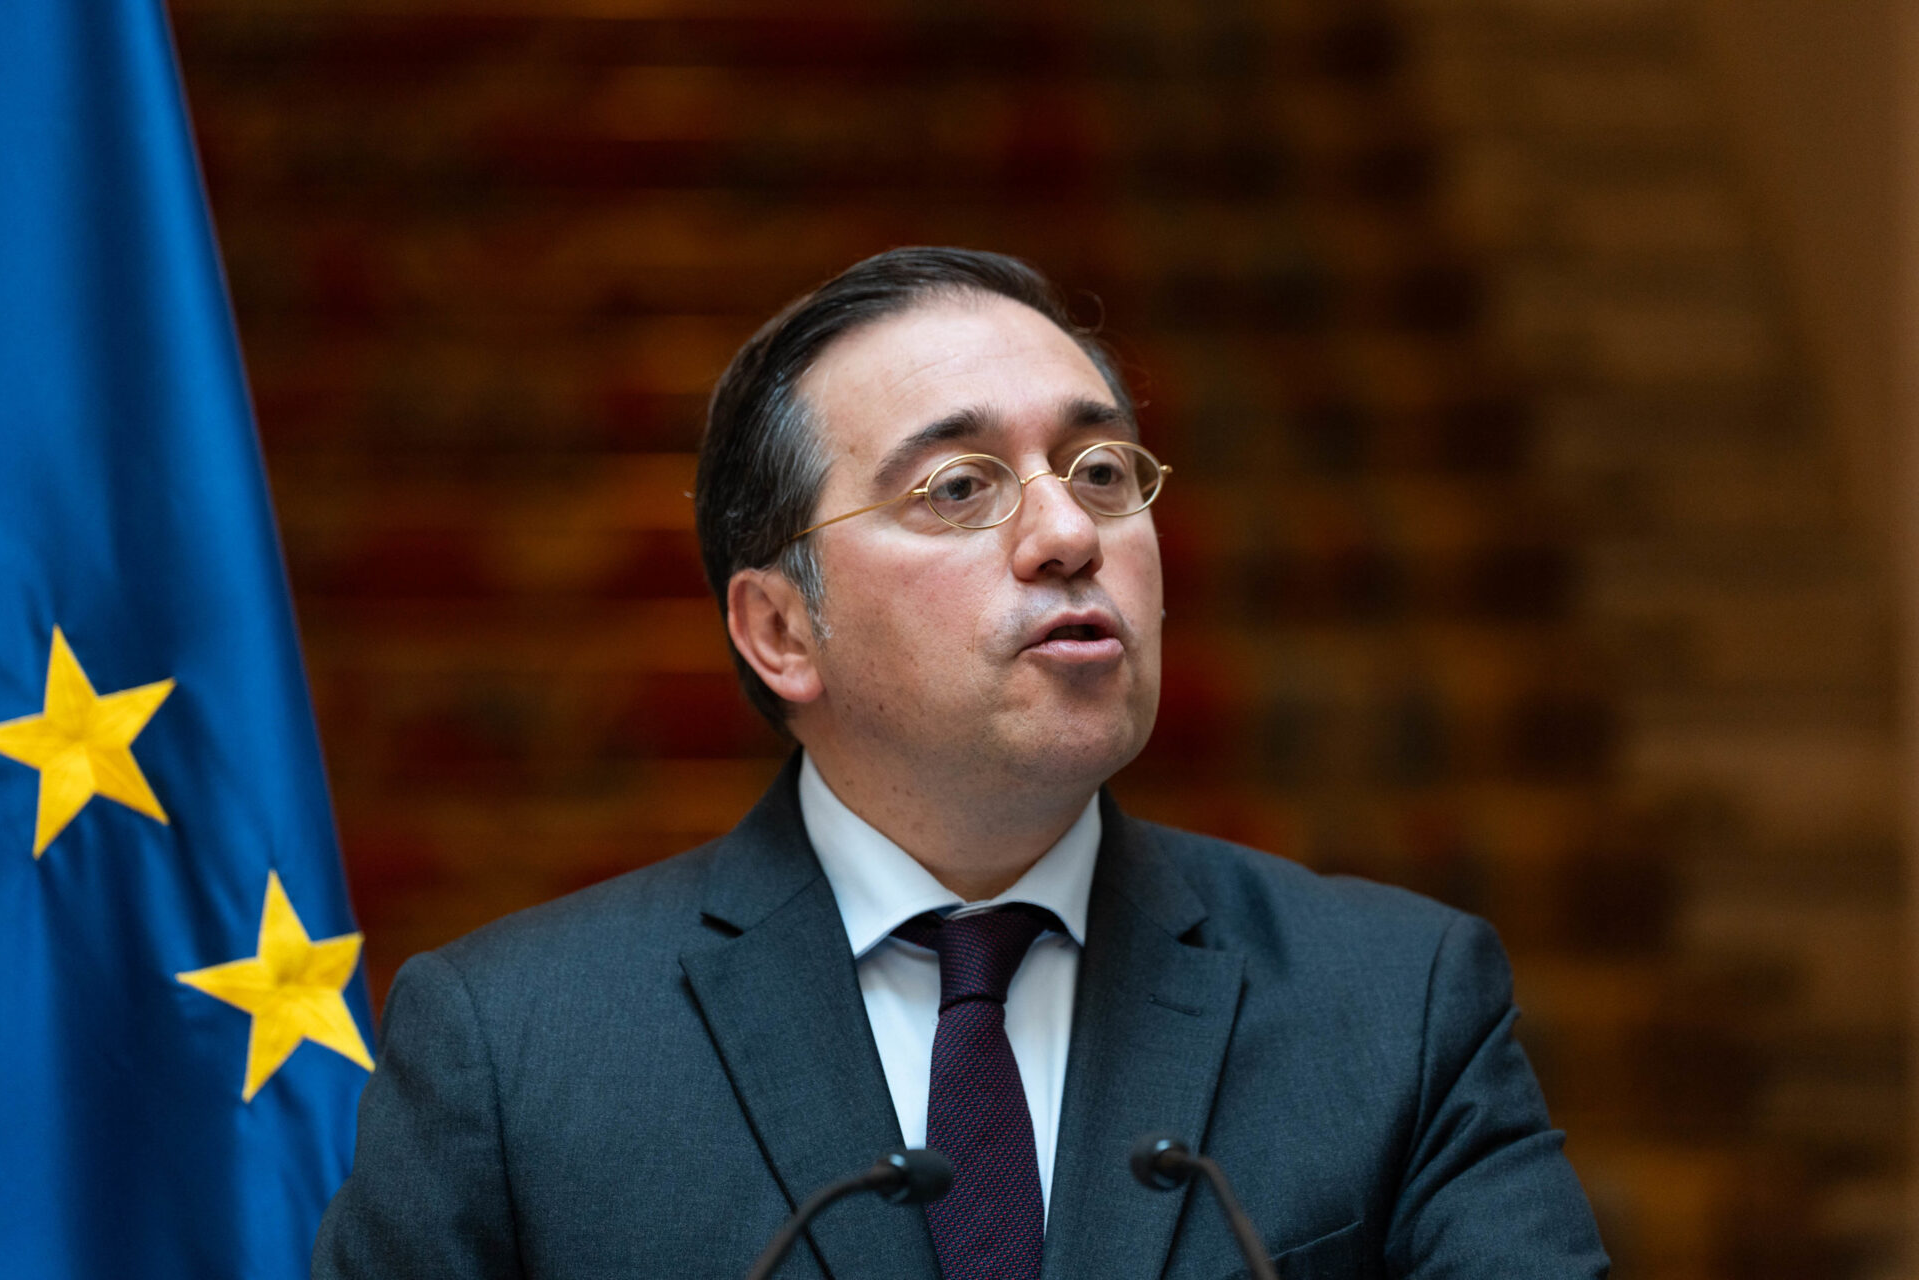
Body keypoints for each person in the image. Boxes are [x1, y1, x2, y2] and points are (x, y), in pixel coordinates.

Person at [313, 248, 1609, 1279]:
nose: (1066, 533)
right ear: (781, 631)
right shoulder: (514, 1048)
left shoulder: (1396, 1006)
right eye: (957, 487)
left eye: (1101, 469)